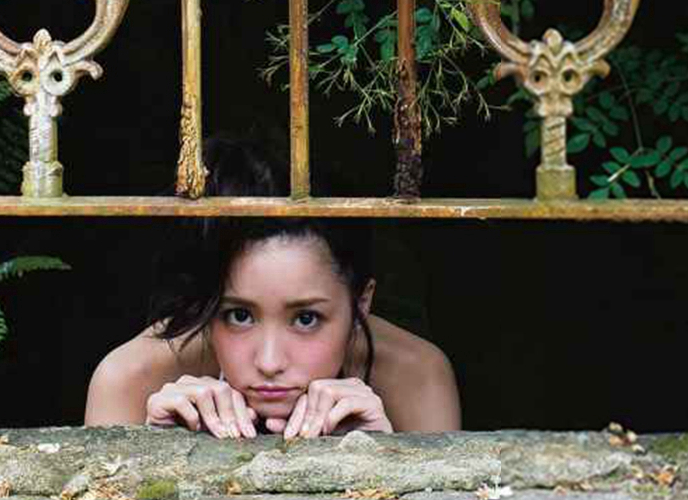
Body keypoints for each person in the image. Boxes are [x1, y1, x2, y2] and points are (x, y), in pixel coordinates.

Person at [82, 141, 461, 437]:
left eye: (306, 318)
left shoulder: (414, 375)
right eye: (239, 316)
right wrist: (158, 455)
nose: (269, 362)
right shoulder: (131, 379)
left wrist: (383, 459)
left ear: (362, 302)